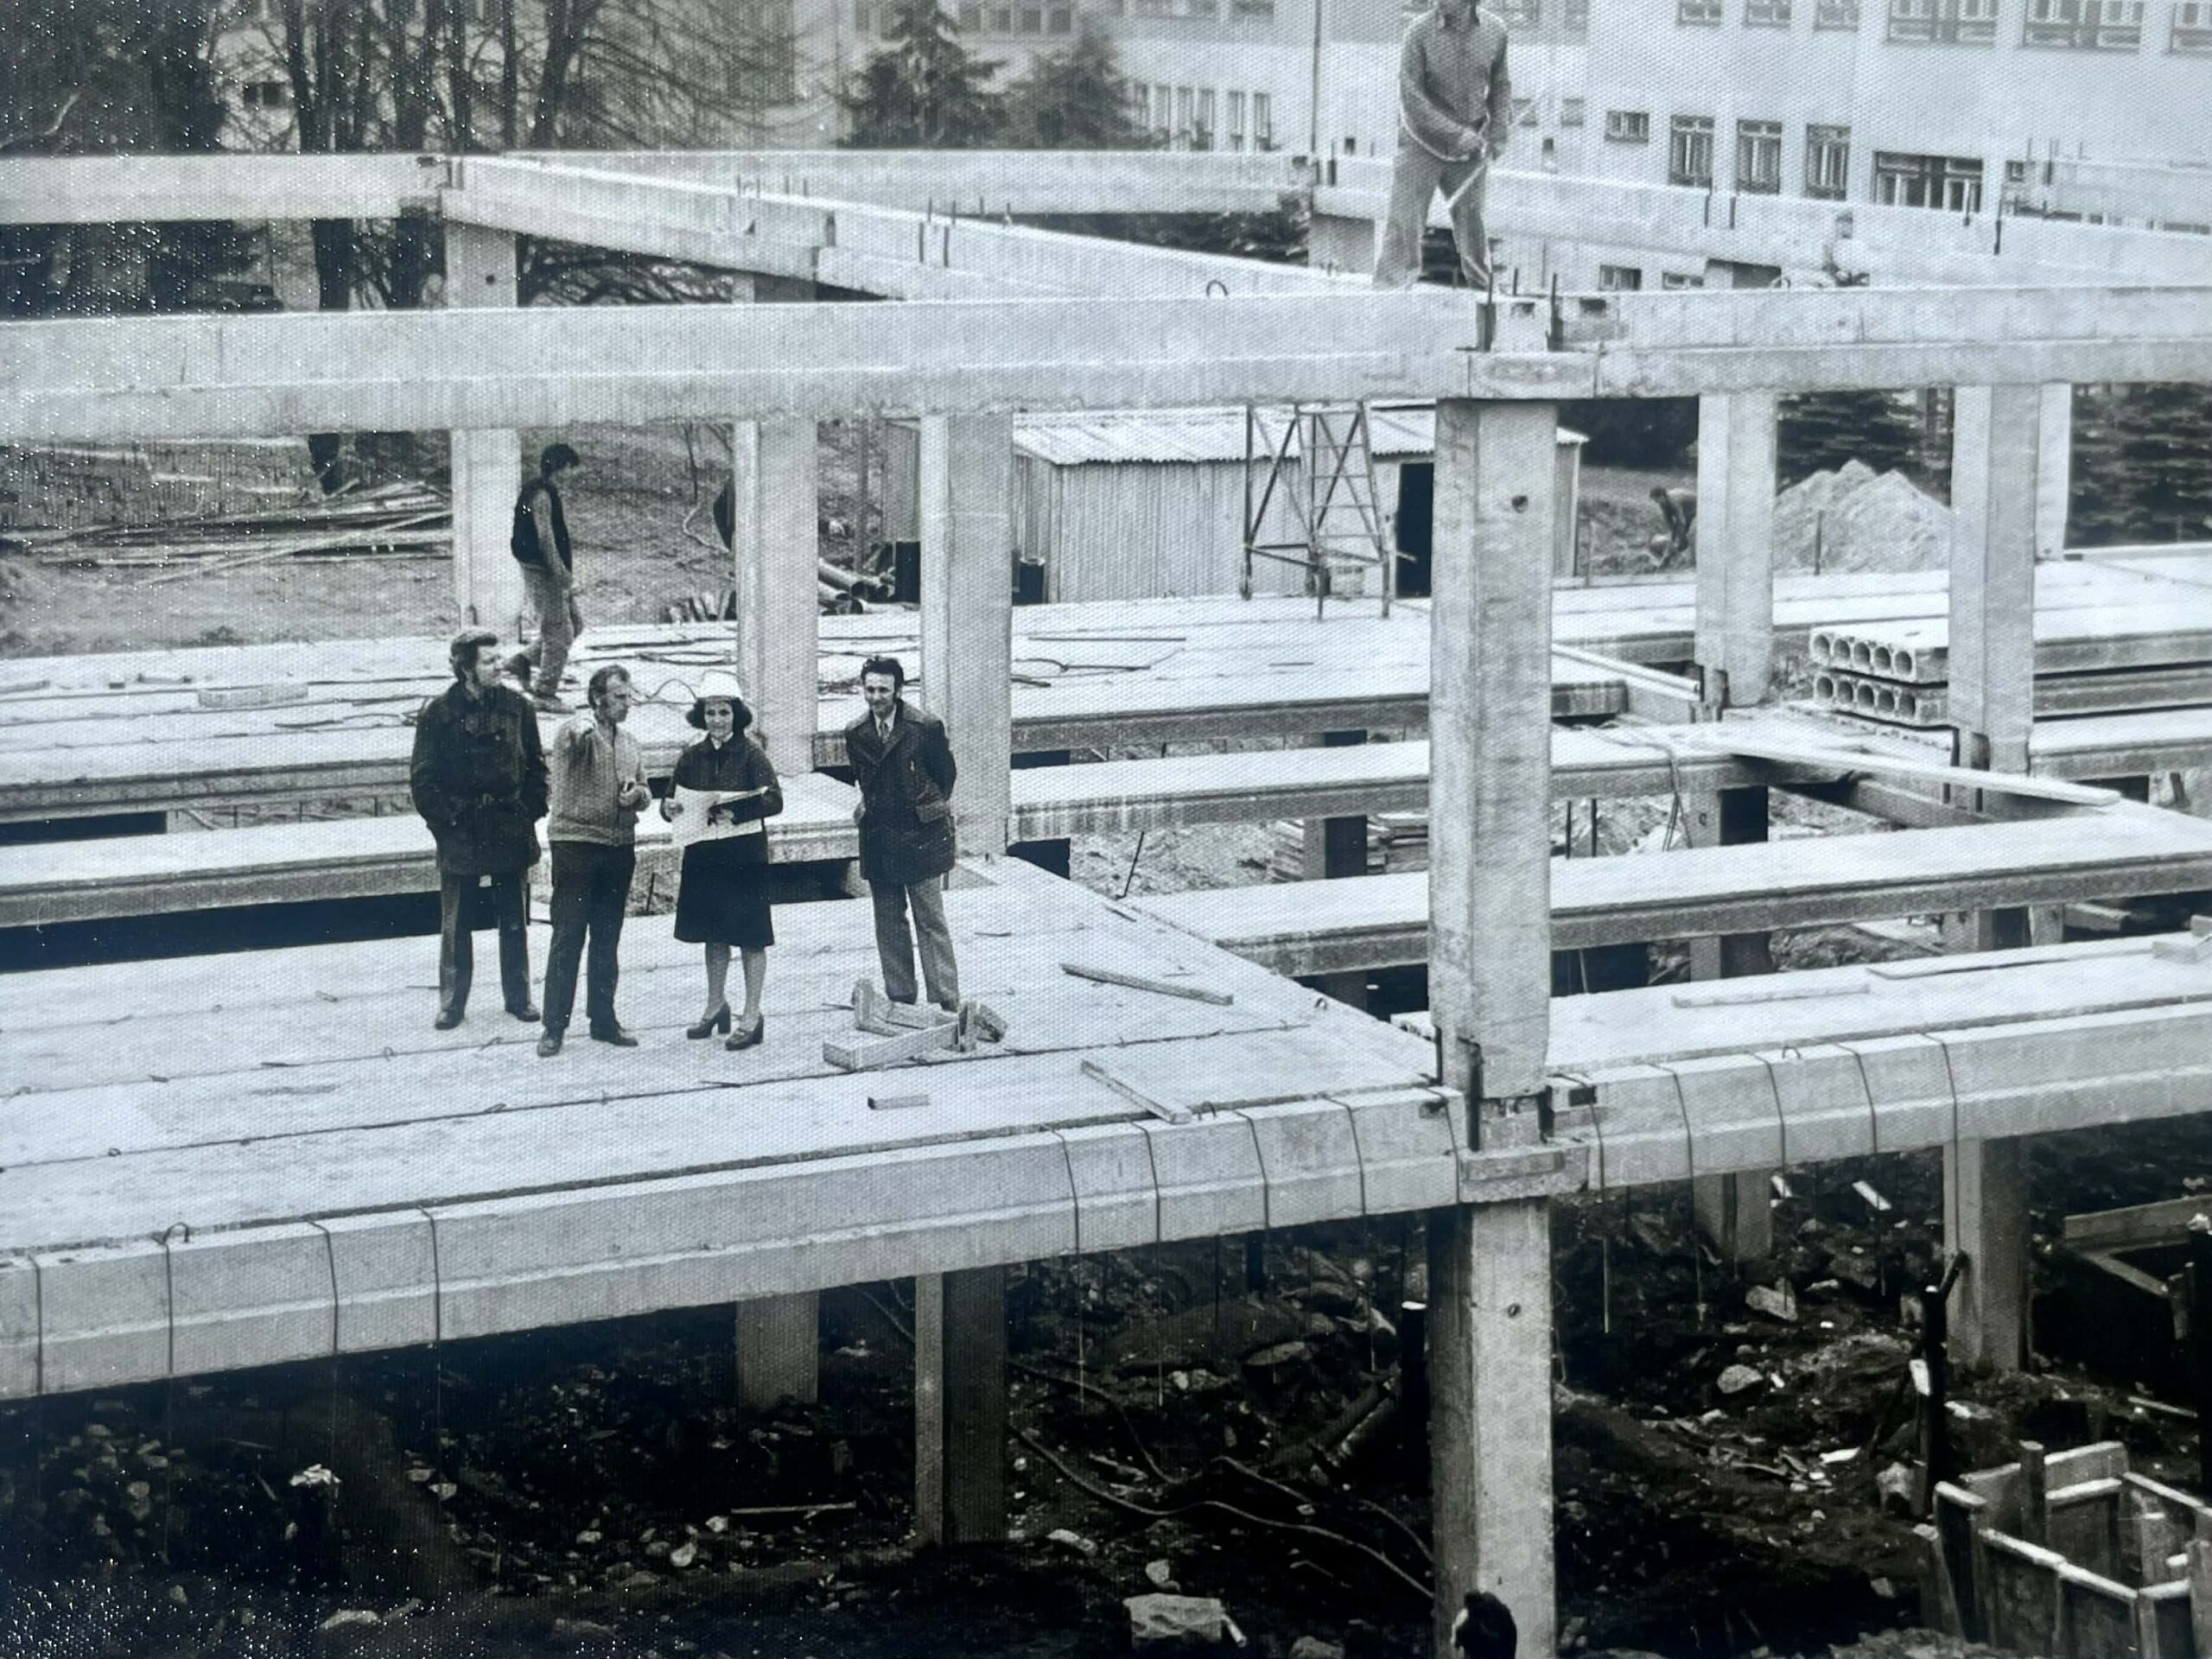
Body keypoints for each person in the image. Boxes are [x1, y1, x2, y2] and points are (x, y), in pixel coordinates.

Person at [409, 627, 547, 1031]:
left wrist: (528, 811)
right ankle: (452, 1003)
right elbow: (423, 780)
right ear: (466, 668)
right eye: (489, 661)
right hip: (461, 829)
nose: (500, 666)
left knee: (514, 918)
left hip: (509, 824)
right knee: (456, 923)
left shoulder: (519, 708)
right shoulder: (438, 714)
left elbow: (537, 769)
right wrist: (447, 821)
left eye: (499, 658)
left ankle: (519, 998)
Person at [662, 675, 783, 1051]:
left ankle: (752, 1015)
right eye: (711, 713)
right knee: (712, 932)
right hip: (704, 852)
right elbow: (671, 799)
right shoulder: (692, 755)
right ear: (702, 716)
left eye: (724, 712)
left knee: (750, 936)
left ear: (737, 715)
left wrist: (738, 810)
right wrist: (669, 808)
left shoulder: (752, 754)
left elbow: (775, 800)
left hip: (743, 854)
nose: (717, 720)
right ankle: (716, 1006)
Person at [537, 664, 652, 1057]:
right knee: (568, 936)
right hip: (576, 846)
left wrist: (637, 795)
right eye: (619, 697)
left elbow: (646, 789)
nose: (627, 704)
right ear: (597, 699)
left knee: (607, 938)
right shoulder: (575, 731)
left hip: (619, 848)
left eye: (629, 697)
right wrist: (581, 725)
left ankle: (603, 1020)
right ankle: (554, 1026)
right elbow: (573, 738)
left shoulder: (630, 742)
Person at [844, 655, 961, 1012]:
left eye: (883, 690)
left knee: (930, 918)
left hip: (921, 836)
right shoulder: (856, 732)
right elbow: (862, 778)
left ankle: (946, 998)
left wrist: (923, 807)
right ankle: (901, 997)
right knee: (889, 920)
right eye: (870, 689)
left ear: (898, 690)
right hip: (879, 836)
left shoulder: (925, 727)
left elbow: (945, 777)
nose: (876, 697)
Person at [1374, 0, 1512, 291]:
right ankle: (1389, 295)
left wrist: (1498, 132)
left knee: (1473, 228)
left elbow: (1500, 85)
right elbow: (1412, 98)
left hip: (1469, 150)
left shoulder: (1496, 31)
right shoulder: (1418, 32)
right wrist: (1455, 134)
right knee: (1403, 225)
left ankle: (1485, 298)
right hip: (1421, 144)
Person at [507, 442, 584, 712]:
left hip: (547, 568)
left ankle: (523, 661)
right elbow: (545, 539)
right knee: (558, 633)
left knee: (575, 623)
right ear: (562, 468)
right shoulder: (541, 495)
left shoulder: (543, 490)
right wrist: (563, 577)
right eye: (571, 468)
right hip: (543, 571)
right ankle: (544, 693)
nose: (573, 474)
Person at [1649, 485, 1698, 569]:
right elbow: (1668, 520)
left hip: (1694, 506)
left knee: (1686, 533)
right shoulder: (1663, 503)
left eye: (1656, 499)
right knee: (1676, 532)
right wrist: (1672, 536)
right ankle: (1676, 551)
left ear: (1662, 496)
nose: (1655, 502)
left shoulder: (1673, 501)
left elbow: (1681, 520)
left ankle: (1685, 552)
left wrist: (1678, 538)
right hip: (1684, 508)